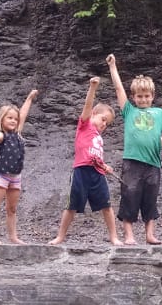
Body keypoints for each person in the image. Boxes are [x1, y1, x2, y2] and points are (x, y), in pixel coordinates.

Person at [106, 54, 162, 245]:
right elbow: (118, 89)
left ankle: (150, 234)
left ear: (152, 96)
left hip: (153, 163)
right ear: (133, 97)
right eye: (139, 96)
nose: (143, 99)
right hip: (132, 162)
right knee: (129, 196)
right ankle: (129, 235)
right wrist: (113, 67)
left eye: (147, 96)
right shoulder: (129, 111)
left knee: (150, 198)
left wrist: (159, 141)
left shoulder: (159, 113)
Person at [49, 77, 124, 246]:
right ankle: (60, 236)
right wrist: (93, 88)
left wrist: (105, 167)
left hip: (97, 174)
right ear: (94, 114)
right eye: (103, 119)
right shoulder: (84, 126)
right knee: (71, 206)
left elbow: (96, 157)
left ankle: (113, 237)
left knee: (107, 206)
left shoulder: (98, 137)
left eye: (107, 123)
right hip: (81, 172)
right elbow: (87, 106)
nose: (104, 124)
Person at [0, 89, 38, 244]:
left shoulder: (18, 134)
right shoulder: (3, 135)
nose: (14, 121)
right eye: (9, 118)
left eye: (15, 119)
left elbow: (23, 113)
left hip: (16, 176)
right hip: (2, 174)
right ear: (2, 120)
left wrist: (29, 98)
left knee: (12, 209)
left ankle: (13, 237)